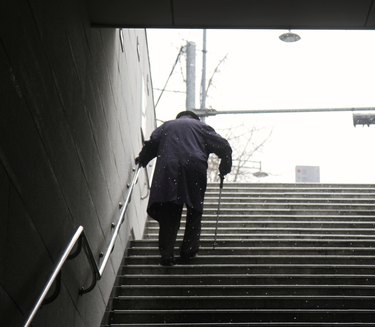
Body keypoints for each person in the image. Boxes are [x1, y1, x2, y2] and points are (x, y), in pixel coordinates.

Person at [136, 110, 232, 266]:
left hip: (169, 167)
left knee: (170, 209)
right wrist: (224, 169)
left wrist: (143, 159)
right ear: (195, 118)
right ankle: (188, 251)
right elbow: (224, 146)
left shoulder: (167, 126)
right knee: (194, 209)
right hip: (194, 167)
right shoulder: (201, 127)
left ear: (179, 117)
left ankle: (167, 254)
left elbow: (152, 143)